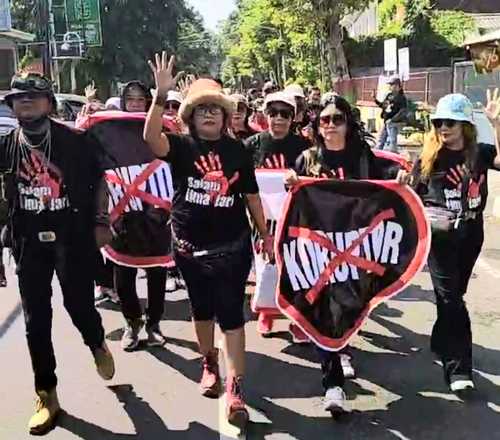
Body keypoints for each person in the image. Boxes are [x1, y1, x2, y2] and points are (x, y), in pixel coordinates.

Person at [143, 52, 273, 428]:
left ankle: (236, 389)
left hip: (233, 250)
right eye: (202, 110)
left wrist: (265, 235)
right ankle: (209, 362)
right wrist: (160, 95)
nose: (210, 114)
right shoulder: (180, 147)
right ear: (191, 117)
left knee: (232, 316)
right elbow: (150, 139)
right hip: (188, 250)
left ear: (226, 116)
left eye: (216, 109)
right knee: (201, 312)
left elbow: (251, 196)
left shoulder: (238, 151)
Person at [0, 73, 115, 435]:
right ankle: (46, 394)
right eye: (18, 97)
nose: (25, 101)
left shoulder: (76, 141)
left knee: (79, 306)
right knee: (36, 321)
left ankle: (96, 341)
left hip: (72, 238)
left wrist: (101, 221)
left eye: (33, 96)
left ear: (49, 103)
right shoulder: (5, 145)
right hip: (27, 241)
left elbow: (101, 181)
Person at [286, 92, 401, 415]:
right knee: (325, 311)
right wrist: (290, 182)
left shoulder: (362, 157)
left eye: (338, 119)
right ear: (317, 126)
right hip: (319, 250)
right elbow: (293, 203)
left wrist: (402, 178)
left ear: (348, 124)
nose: (331, 125)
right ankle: (332, 384)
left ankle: (343, 347)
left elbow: (387, 183)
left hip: (356, 248)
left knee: (349, 306)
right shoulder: (306, 160)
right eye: (325, 119)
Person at [397, 92, 500, 393]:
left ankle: (442, 340)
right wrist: (403, 179)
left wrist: (496, 124)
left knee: (454, 295)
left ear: (465, 125)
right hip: (439, 238)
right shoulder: (429, 158)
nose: (443, 127)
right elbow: (410, 195)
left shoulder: (480, 153)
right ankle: (459, 369)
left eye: (450, 122)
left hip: (471, 235)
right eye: (439, 122)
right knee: (451, 299)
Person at [245, 91, 309, 341]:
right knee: (266, 268)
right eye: (273, 113)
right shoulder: (251, 145)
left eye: (285, 114)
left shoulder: (305, 147)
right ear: (265, 115)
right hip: (262, 220)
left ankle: (297, 319)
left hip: (295, 218)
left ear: (293, 118)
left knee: (296, 269)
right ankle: (266, 313)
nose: (279, 118)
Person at [113, 80, 170, 350]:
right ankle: (131, 322)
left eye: (140, 99)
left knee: (156, 271)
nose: (135, 104)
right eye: (130, 99)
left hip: (156, 214)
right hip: (122, 213)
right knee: (123, 274)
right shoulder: (111, 132)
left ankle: (153, 323)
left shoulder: (161, 130)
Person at [374, 75, 407, 153]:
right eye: (390, 85)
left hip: (393, 122)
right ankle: (377, 154)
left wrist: (392, 120)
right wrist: (375, 100)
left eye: (392, 85)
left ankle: (393, 155)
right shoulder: (389, 95)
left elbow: (403, 111)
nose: (390, 86)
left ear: (397, 86)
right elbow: (383, 105)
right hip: (387, 122)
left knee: (392, 141)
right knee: (381, 140)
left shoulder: (401, 97)